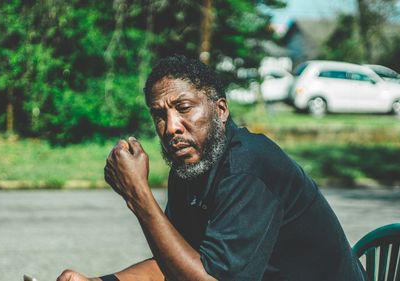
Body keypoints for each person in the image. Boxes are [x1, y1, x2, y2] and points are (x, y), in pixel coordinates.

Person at [57, 55, 366, 281]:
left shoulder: (248, 167)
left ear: (220, 110)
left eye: (184, 107)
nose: (171, 127)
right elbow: (176, 262)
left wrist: (138, 194)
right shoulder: (190, 167)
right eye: (159, 115)